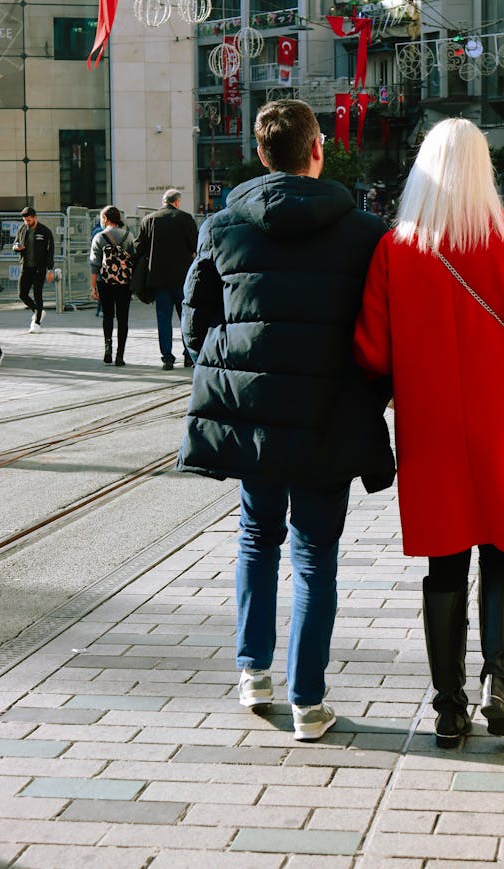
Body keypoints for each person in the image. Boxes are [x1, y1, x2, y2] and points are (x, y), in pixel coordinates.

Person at [177, 99, 395, 742]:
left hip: (254, 418)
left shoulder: (221, 227)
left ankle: (253, 673)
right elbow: (382, 332)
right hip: (329, 418)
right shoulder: (365, 231)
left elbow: (194, 326)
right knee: (315, 556)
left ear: (261, 153)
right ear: (317, 150)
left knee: (256, 536)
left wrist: (237, 370)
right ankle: (308, 700)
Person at [354, 118, 504, 748]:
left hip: (434, 423)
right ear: (485, 170)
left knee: (444, 561)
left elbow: (371, 349)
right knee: (503, 549)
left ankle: (448, 706)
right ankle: (498, 680)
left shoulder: (398, 247)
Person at [135, 188, 198, 369]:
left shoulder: (149, 220)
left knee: (163, 318)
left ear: (164, 201)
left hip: (159, 278)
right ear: (177, 202)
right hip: (183, 279)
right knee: (186, 317)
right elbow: (196, 245)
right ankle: (188, 355)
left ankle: (167, 358)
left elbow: (139, 247)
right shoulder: (185, 218)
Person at [90, 205, 136, 366]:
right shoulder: (128, 236)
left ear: (105, 219)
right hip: (124, 283)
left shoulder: (99, 237)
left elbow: (94, 264)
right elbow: (134, 260)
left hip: (105, 282)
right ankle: (120, 355)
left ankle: (108, 348)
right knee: (123, 318)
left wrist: (93, 286)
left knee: (108, 316)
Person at [13, 207, 55, 333]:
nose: (27, 222)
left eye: (29, 220)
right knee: (22, 294)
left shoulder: (45, 231)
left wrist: (50, 270)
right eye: (25, 220)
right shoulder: (22, 229)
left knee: (38, 295)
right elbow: (15, 244)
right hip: (25, 267)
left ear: (35, 217)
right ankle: (38, 311)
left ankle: (36, 323)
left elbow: (50, 252)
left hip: (39, 268)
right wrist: (16, 247)